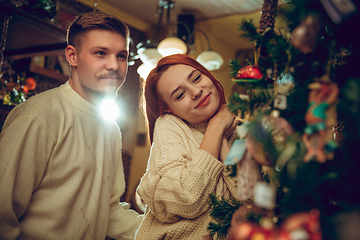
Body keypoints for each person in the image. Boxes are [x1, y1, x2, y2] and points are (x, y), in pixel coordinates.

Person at [0, 11, 143, 239]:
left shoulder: (112, 129)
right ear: (72, 56)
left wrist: (170, 234)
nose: (114, 65)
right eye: (101, 53)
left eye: (122, 56)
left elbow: (109, 212)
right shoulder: (38, 116)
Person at [135, 54, 260, 239]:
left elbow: (255, 204)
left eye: (196, 78)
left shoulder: (241, 131)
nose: (195, 91)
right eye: (180, 95)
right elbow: (185, 197)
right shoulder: (169, 124)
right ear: (170, 110)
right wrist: (215, 130)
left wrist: (224, 143)